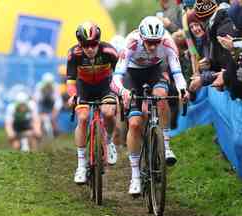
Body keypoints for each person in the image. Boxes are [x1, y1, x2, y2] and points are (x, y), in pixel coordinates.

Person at [111, 16, 188, 195]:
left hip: (155, 72)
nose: (153, 47)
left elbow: (177, 72)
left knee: (162, 96)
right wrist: (123, 92)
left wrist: (182, 90)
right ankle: (135, 176)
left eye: (156, 42)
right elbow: (116, 78)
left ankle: (166, 146)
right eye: (149, 42)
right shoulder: (131, 43)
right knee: (135, 124)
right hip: (132, 76)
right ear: (142, 38)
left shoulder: (168, 42)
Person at [66, 21, 119, 184]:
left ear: (99, 42)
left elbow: (119, 75)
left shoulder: (110, 52)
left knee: (109, 113)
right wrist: (73, 96)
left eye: (93, 45)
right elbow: (70, 80)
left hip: (105, 87)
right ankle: (81, 165)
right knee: (82, 118)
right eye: (86, 45)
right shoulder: (73, 54)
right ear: (80, 44)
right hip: (84, 88)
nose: (90, 49)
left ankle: (109, 141)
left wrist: (120, 93)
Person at [34, 72, 63, 137]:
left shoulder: (56, 87)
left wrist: (54, 113)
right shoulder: (39, 87)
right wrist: (38, 114)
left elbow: (58, 101)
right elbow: (36, 101)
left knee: (53, 120)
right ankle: (39, 136)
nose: (48, 87)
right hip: (42, 106)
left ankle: (56, 134)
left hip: (51, 105)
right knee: (38, 121)